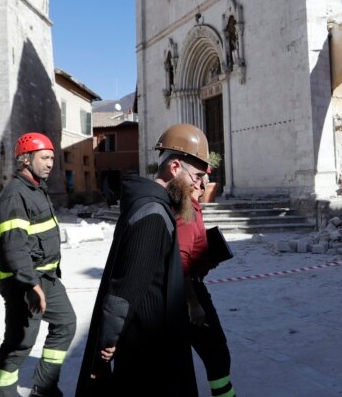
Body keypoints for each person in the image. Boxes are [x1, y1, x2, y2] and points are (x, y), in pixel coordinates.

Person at [76, 123, 202, 396]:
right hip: (146, 347)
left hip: (153, 339)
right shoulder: (152, 214)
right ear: (175, 167)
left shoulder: (154, 206)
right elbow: (126, 286)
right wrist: (108, 341)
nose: (198, 184)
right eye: (196, 176)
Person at [0, 132, 76, 397]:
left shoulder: (36, 189)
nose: (50, 163)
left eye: (52, 157)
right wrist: (29, 285)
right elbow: (14, 247)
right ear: (26, 159)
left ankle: (44, 387)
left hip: (47, 277)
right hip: (23, 282)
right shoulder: (15, 195)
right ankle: (2, 392)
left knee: (65, 323)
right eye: (45, 157)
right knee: (20, 343)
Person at [180, 170, 236, 397]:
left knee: (216, 353)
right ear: (195, 182)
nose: (205, 181)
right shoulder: (186, 213)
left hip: (193, 285)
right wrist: (194, 304)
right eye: (201, 176)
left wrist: (206, 258)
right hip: (190, 292)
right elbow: (180, 263)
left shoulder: (193, 208)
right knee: (217, 354)